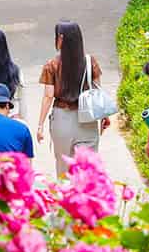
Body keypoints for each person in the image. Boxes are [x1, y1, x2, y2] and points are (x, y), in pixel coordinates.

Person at [37, 21, 103, 177]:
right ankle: (87, 197)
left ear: (60, 38)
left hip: (62, 119)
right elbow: (98, 90)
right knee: (88, 166)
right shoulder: (90, 62)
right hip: (88, 118)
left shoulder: (51, 65)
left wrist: (40, 124)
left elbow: (48, 96)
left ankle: (66, 198)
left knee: (64, 165)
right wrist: (104, 116)